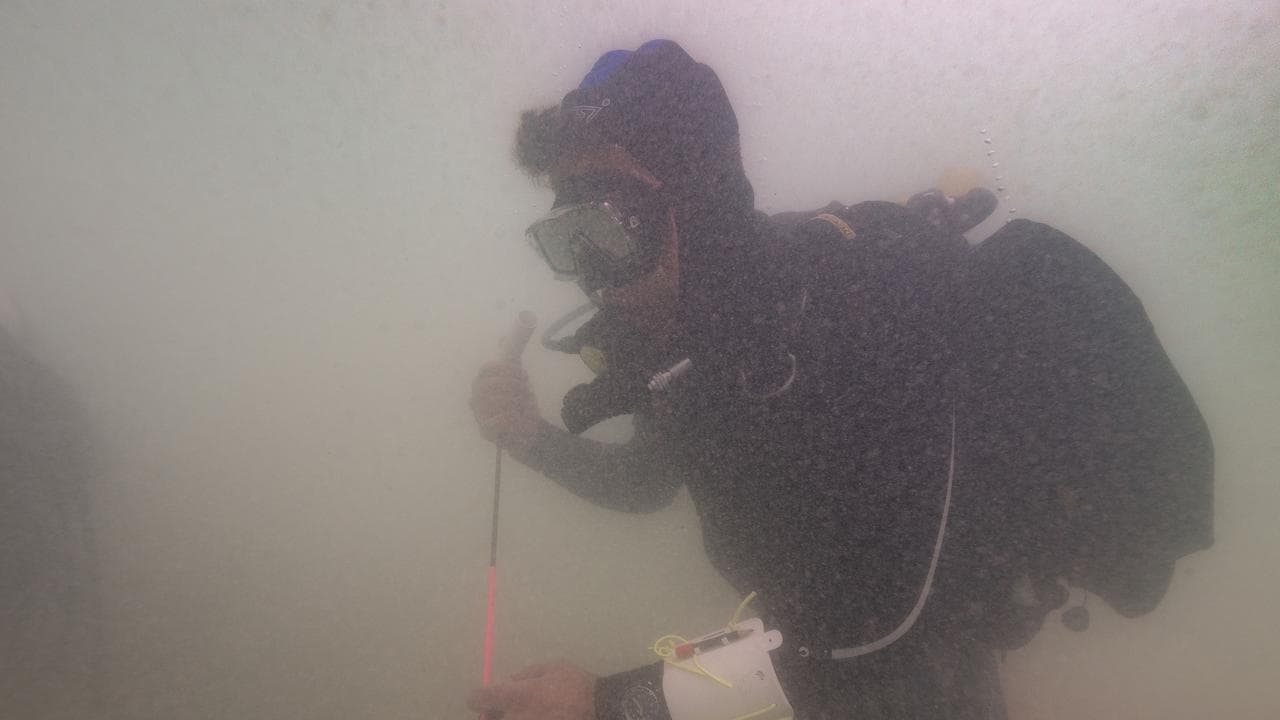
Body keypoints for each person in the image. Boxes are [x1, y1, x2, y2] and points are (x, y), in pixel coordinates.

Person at [468, 40, 1213, 720]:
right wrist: (533, 439)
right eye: (571, 241)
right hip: (805, 670)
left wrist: (610, 703)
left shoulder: (827, 339)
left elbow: (869, 658)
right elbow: (648, 481)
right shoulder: (698, 347)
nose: (598, 280)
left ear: (698, 206)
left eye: (612, 226)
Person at [0, 283, 102, 718]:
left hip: (28, 532)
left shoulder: (39, 381)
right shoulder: (42, 379)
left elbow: (84, 451)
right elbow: (88, 454)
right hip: (34, 535)